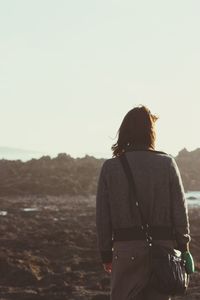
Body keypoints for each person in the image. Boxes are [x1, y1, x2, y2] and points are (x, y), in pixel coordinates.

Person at [95, 105, 191, 300]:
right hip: (163, 251)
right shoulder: (167, 164)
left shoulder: (111, 168)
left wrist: (106, 253)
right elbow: (180, 211)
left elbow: (103, 217)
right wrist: (184, 248)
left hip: (125, 252)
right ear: (150, 133)